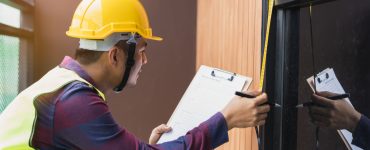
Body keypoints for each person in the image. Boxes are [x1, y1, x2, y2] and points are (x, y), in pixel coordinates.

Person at [0, 0, 270, 149]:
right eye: (142, 50)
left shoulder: (63, 84)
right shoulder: (73, 101)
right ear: (115, 55)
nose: (145, 60)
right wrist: (226, 119)